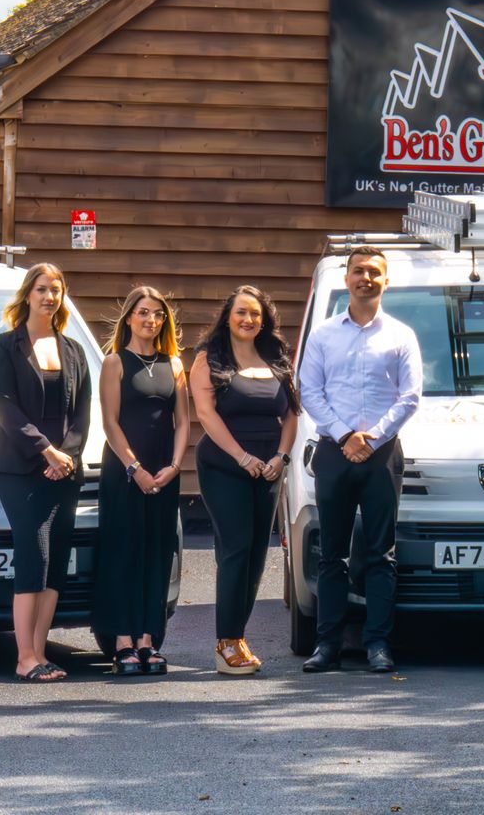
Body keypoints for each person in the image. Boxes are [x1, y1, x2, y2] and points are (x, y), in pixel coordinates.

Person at [296, 247, 422, 674]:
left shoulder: (401, 335)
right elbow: (309, 391)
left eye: (373, 272)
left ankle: (378, 645)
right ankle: (327, 645)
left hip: (381, 455)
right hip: (335, 450)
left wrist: (372, 438)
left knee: (380, 554)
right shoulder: (324, 335)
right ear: (346, 278)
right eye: (357, 271)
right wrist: (347, 435)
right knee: (331, 554)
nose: (364, 278)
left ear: (386, 282)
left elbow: (410, 396)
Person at [0, 263, 92, 683]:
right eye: (42, 289)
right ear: (28, 294)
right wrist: (45, 451)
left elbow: (82, 414)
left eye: (57, 290)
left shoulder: (74, 351)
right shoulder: (5, 346)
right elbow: (5, 407)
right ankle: (24, 656)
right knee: (34, 557)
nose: (50, 297)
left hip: (63, 470)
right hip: (19, 466)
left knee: (56, 562)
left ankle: (40, 652)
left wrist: (66, 454)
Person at [190, 285, 300, 676]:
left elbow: (290, 415)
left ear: (264, 319)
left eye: (255, 314)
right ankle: (225, 643)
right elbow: (206, 414)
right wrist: (243, 457)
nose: (248, 320)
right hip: (225, 465)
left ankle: (238, 638)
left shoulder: (276, 358)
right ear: (227, 316)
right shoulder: (209, 359)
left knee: (256, 555)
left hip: (268, 468)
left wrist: (281, 458)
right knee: (236, 549)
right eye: (240, 312)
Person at [95, 287, 190, 678]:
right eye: (143, 312)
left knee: (157, 553)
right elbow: (109, 422)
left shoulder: (175, 364)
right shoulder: (115, 362)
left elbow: (183, 422)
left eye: (157, 314)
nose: (151, 320)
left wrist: (173, 465)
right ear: (129, 317)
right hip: (124, 472)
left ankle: (149, 640)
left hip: (164, 474)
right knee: (123, 553)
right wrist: (135, 469)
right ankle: (122, 641)